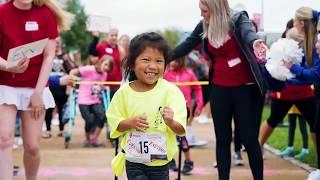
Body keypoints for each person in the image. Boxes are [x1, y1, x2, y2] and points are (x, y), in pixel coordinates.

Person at [172, 0, 268, 179]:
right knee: (222, 139)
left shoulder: (239, 18)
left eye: (205, 10)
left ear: (216, 9)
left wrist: (255, 43)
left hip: (245, 89)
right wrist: (161, 57)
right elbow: (187, 45)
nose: (202, 14)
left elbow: (248, 33)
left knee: (249, 139)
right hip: (219, 88)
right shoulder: (204, 25)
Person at [0, 0, 73, 179]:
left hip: (35, 86)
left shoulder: (46, 14)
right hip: (5, 84)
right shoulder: (2, 12)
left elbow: (49, 56)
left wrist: (38, 93)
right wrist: (8, 66)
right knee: (3, 139)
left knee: (32, 147)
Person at [107, 32, 187, 180]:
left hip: (160, 161)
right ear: (132, 62)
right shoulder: (123, 93)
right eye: (146, 59)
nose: (152, 66)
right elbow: (114, 122)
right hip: (134, 159)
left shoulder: (171, 92)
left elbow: (181, 129)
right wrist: (129, 123)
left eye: (159, 61)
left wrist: (171, 122)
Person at [164, 56, 204, 175]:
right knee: (166, 133)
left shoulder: (189, 74)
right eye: (170, 60)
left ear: (180, 61)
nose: (171, 62)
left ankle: (188, 161)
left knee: (180, 134)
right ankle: (169, 159)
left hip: (183, 109)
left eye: (174, 60)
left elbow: (197, 88)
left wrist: (200, 104)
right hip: (167, 109)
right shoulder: (165, 74)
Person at [70, 55, 114, 147]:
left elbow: (99, 87)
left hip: (95, 100)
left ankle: (94, 138)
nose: (106, 68)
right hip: (83, 100)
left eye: (109, 66)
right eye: (105, 64)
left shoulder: (104, 74)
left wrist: (104, 87)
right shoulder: (89, 69)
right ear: (101, 62)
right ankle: (87, 139)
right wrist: (72, 80)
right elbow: (73, 72)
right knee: (89, 120)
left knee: (102, 116)